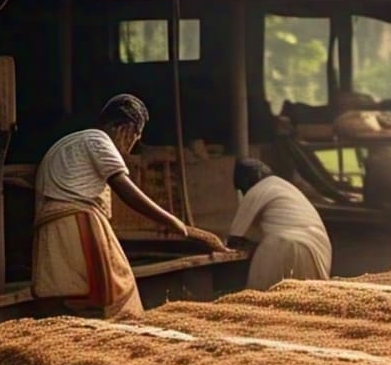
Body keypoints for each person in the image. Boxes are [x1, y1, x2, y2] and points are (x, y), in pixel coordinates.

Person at [31, 95, 189, 319]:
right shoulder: (99, 141)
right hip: (76, 220)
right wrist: (170, 220)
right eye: (135, 138)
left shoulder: (71, 142)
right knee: (117, 293)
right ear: (125, 129)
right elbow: (124, 189)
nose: (131, 146)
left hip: (51, 225)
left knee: (66, 297)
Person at [228, 158, 332, 289]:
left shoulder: (257, 189)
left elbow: (234, 238)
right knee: (305, 302)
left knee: (260, 300)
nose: (244, 193)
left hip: (285, 244)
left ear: (256, 177)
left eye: (243, 187)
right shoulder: (284, 187)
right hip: (318, 249)